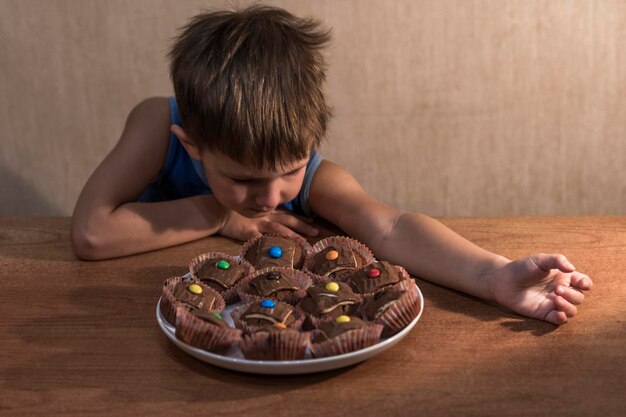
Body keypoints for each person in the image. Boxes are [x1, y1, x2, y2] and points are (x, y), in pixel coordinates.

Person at [71, 5, 592, 325]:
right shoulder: (156, 125)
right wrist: (220, 215)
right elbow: (93, 235)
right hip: (125, 319)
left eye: (291, 169)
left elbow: (390, 228)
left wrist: (494, 274)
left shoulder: (317, 180)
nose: (272, 198)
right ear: (193, 146)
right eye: (243, 179)